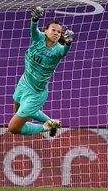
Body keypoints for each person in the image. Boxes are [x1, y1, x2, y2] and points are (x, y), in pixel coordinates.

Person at [7, 7, 73, 137]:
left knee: (13, 128)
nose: (56, 33)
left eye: (59, 32)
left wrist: (69, 43)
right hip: (23, 83)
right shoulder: (38, 39)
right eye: (53, 30)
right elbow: (33, 29)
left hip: (36, 93)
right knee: (19, 114)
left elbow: (65, 50)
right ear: (46, 31)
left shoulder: (58, 51)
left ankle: (46, 126)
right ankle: (51, 121)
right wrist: (35, 19)